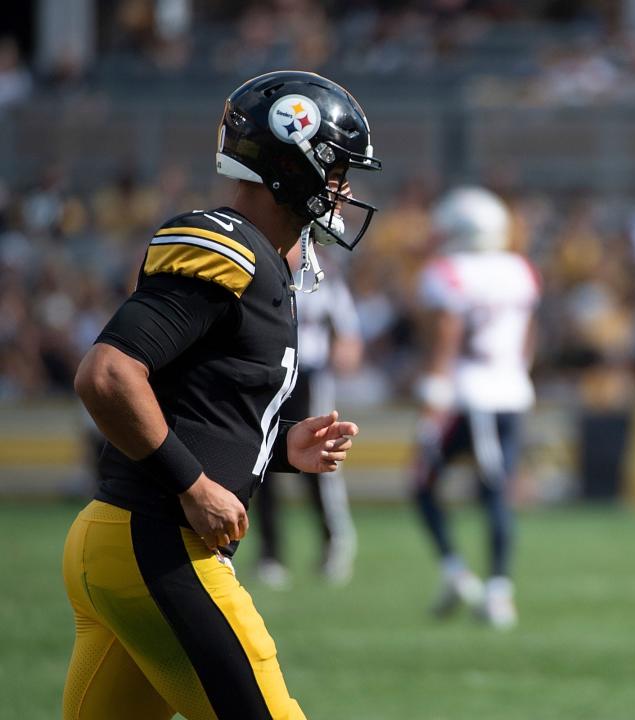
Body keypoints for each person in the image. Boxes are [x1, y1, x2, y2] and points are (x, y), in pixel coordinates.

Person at [62, 70, 381, 720]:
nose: (345, 190)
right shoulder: (227, 248)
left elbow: (200, 402)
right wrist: (192, 484)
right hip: (159, 544)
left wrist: (280, 446)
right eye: (338, 171)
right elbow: (109, 374)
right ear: (294, 165)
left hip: (118, 540)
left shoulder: (266, 263)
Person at [411, 186, 540, 630]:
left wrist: (434, 393)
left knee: (429, 483)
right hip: (510, 390)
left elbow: (447, 335)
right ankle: (481, 583)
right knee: (493, 491)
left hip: (467, 395)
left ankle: (484, 585)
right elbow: (528, 339)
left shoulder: (447, 271)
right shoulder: (519, 269)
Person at [256, 251, 362, 588]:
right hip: (266, 378)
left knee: (317, 463)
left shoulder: (322, 276)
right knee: (260, 467)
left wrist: (342, 353)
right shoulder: (259, 269)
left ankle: (335, 542)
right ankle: (271, 553)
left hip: (308, 378)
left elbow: (347, 334)